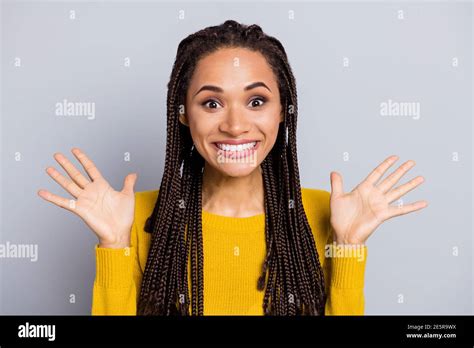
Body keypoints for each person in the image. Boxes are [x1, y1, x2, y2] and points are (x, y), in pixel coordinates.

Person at [38, 20, 427, 316]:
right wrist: (114, 247)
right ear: (183, 115)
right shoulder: (138, 218)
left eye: (256, 102)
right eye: (212, 103)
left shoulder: (327, 215)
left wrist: (348, 248)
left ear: (283, 113)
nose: (236, 125)